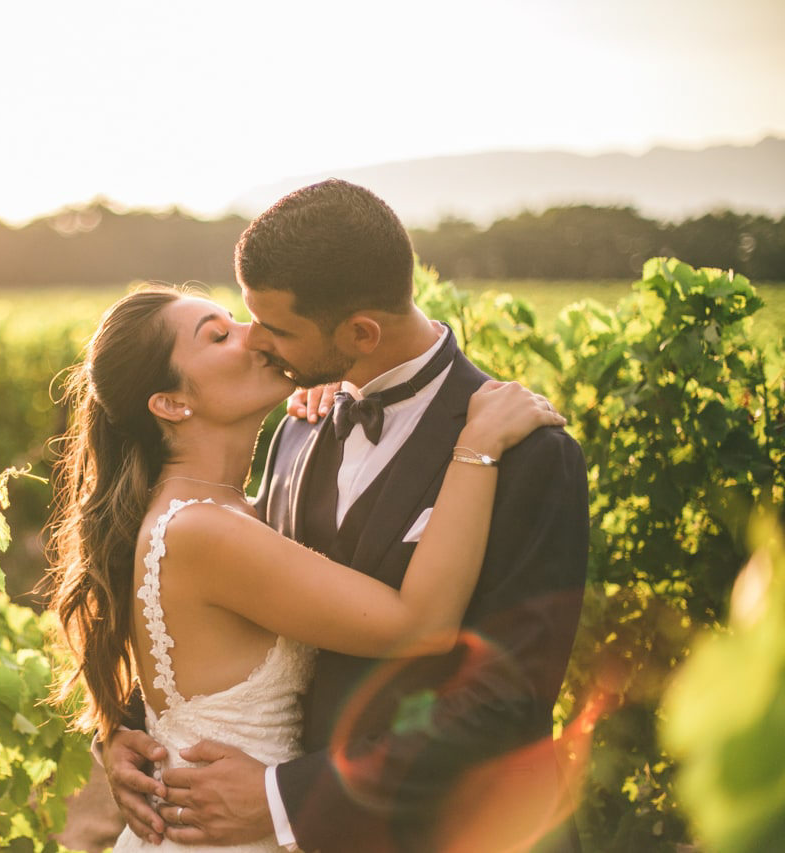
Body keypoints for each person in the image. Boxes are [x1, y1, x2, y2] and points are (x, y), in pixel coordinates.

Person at [101, 180, 589, 852]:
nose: (258, 342)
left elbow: (502, 704)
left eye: (276, 328)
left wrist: (283, 799)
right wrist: (137, 732)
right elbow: (236, 622)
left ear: (359, 332)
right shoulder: (296, 428)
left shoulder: (528, 454)